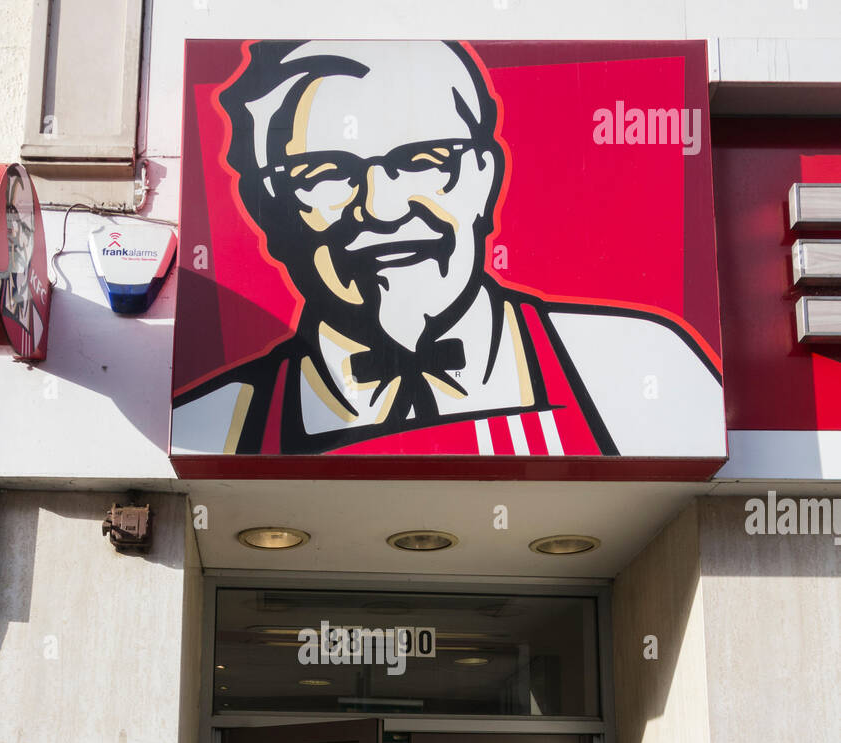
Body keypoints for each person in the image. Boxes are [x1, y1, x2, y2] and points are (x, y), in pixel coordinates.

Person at [171, 39, 724, 459]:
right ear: (267, 209)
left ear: (485, 179)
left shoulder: (636, 367)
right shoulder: (217, 425)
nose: (384, 208)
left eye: (425, 160)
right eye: (323, 173)